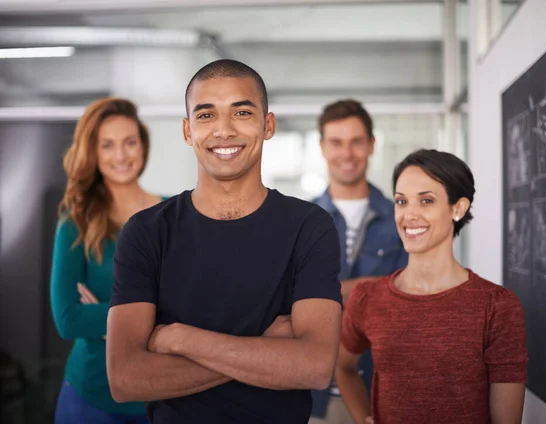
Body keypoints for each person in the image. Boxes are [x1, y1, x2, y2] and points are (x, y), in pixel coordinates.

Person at [106, 59, 343, 424]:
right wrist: (266, 351)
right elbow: (125, 379)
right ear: (187, 131)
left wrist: (183, 340)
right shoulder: (147, 231)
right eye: (206, 116)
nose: (223, 130)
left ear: (268, 125)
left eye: (242, 112)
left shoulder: (309, 227)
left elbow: (313, 368)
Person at [335, 149, 528, 424]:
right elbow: (344, 368)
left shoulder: (497, 306)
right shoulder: (369, 298)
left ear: (458, 208)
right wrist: (363, 418)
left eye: (426, 200)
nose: (409, 215)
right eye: (402, 202)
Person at [50, 97, 166, 423]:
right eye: (107, 145)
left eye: (130, 142)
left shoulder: (175, 215)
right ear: (93, 153)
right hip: (91, 397)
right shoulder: (76, 223)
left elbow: (192, 306)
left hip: (162, 395)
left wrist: (107, 314)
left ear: (143, 146)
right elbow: (69, 319)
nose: (121, 156)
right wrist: (154, 318)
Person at [310, 100, 407, 423]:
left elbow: (411, 298)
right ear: (322, 147)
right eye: (336, 142)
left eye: (356, 142)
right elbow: (286, 300)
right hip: (313, 399)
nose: (347, 154)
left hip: (382, 395)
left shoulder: (402, 217)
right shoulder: (300, 221)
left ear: (372, 144)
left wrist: (325, 293)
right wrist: (374, 287)